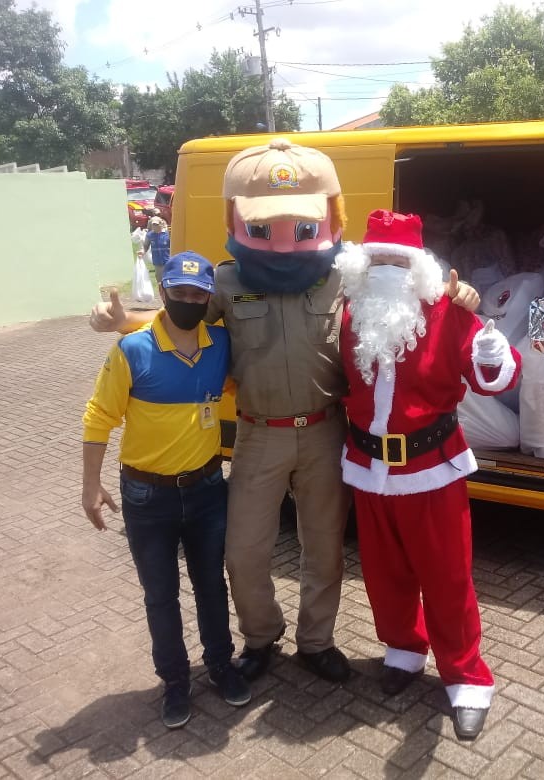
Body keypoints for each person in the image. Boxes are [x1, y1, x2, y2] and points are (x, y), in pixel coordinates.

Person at [90, 138, 480, 687]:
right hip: (259, 434)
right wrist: (123, 322)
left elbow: (405, 288)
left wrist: (460, 291)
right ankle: (261, 636)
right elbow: (182, 321)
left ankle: (317, 641)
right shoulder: (229, 281)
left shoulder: (343, 277)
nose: (283, 238)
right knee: (244, 552)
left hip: (325, 431)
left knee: (324, 549)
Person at [334, 210, 520, 740]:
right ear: (362, 263)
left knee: (447, 579)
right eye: (377, 259)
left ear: (417, 266)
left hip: (432, 472)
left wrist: (490, 349)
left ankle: (466, 677)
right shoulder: (348, 313)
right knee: (383, 575)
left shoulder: (448, 311)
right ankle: (403, 650)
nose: (387, 269)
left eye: (398, 261)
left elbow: (492, 380)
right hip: (369, 471)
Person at [81, 251, 251, 729]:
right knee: (160, 595)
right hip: (147, 496)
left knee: (212, 586)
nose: (189, 301)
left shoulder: (221, 344)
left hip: (206, 491)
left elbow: (242, 380)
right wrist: (90, 485)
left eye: (199, 294)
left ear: (209, 298)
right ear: (163, 292)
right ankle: (175, 680)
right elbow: (98, 417)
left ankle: (220, 665)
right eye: (180, 292)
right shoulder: (132, 350)